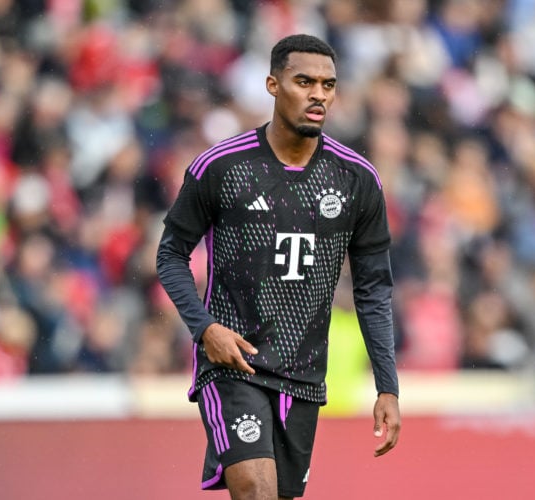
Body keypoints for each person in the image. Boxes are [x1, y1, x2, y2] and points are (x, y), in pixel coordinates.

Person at [156, 33, 400, 499]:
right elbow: (169, 254)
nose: (318, 95)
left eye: (328, 85)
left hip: (304, 373)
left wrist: (387, 387)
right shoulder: (222, 167)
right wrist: (206, 329)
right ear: (272, 84)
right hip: (233, 362)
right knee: (255, 491)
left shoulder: (357, 180)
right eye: (304, 81)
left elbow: (373, 289)